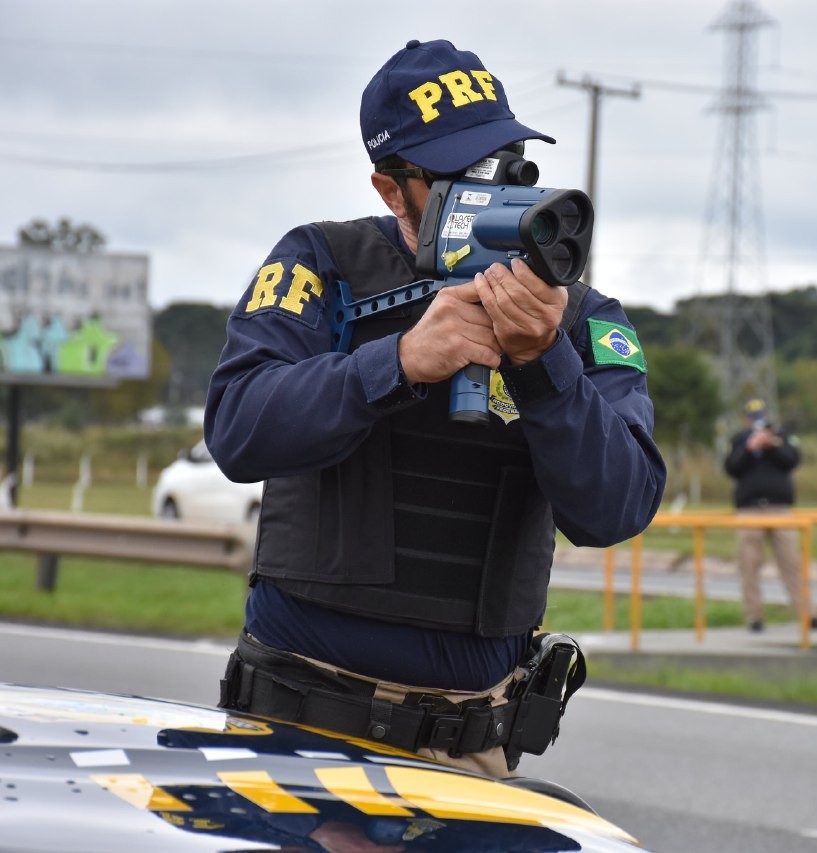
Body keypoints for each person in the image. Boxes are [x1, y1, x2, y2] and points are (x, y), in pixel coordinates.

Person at [203, 38, 666, 778]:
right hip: (298, 723)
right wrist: (398, 363)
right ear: (393, 189)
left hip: (469, 741)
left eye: (505, 160)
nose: (493, 186)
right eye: (460, 173)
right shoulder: (323, 265)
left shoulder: (580, 316)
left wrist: (544, 362)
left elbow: (617, 507)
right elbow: (236, 427)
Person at [723, 399, 817, 633]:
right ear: (745, 419)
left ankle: (808, 614)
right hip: (749, 510)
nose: (756, 421)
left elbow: (793, 460)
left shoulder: (783, 436)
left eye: (760, 416)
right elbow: (731, 467)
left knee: (792, 563)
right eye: (752, 416)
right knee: (749, 565)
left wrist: (772, 444)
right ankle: (754, 617)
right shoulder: (739, 439)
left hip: (780, 509)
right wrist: (750, 448)